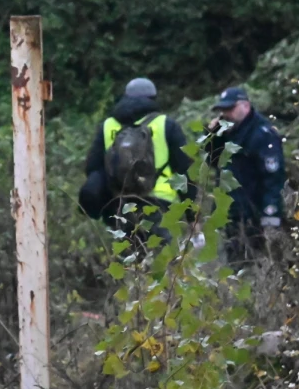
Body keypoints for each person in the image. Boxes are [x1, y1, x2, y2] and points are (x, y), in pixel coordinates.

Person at [79, 78, 195, 242]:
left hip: (120, 206)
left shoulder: (108, 125)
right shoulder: (165, 124)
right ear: (153, 99)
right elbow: (185, 170)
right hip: (160, 204)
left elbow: (92, 168)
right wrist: (191, 215)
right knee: (161, 261)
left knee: (128, 263)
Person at [207, 86, 286, 263]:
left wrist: (270, 213)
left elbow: (273, 177)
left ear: (245, 106)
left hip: (254, 213)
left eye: (230, 109)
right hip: (232, 213)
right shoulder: (227, 133)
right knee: (236, 265)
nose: (225, 114)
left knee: (256, 265)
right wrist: (213, 137)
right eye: (222, 110)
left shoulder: (262, 134)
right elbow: (212, 163)